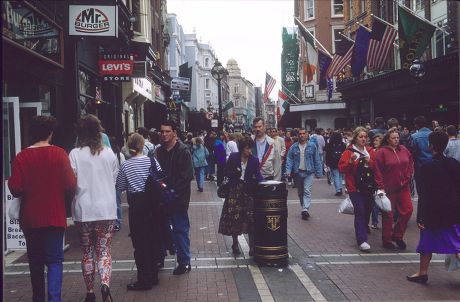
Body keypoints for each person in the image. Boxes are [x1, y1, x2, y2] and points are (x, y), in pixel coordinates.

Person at [8, 116, 77, 302]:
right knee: (55, 261)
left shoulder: (21, 157)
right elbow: (71, 184)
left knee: (36, 262)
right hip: (54, 215)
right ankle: (54, 299)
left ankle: (37, 298)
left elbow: (14, 188)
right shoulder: (60, 154)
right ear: (50, 133)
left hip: (30, 217)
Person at [69, 115, 118, 302]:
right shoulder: (108, 153)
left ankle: (90, 292)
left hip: (84, 209)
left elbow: (71, 182)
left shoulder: (74, 154)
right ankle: (105, 283)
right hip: (106, 208)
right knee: (104, 250)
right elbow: (114, 179)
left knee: (87, 251)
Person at [407, 131, 460, 284]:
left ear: (431, 146)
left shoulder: (426, 166)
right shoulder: (454, 163)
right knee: (453, 243)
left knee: (445, 244)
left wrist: (421, 216)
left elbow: (424, 194)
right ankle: (422, 272)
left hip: (433, 213)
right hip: (453, 210)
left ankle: (422, 272)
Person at [116, 133, 163, 290]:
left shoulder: (126, 165)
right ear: (143, 145)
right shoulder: (152, 161)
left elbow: (120, 186)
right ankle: (154, 275)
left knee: (140, 244)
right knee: (153, 240)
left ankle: (144, 279)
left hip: (137, 206)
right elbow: (161, 179)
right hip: (153, 206)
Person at [156, 120, 194, 275]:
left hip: (178, 199)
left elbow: (187, 176)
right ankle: (160, 257)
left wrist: (172, 191)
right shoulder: (159, 151)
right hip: (162, 198)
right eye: (162, 131)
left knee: (179, 229)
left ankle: (184, 262)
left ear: (174, 133)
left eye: (167, 131)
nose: (164, 134)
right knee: (161, 229)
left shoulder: (183, 151)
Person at [218, 137, 264, 255]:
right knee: (234, 218)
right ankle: (234, 244)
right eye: (247, 149)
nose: (250, 151)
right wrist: (235, 172)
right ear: (242, 149)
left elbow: (258, 176)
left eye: (250, 148)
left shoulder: (254, 160)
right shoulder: (233, 157)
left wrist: (264, 184)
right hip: (234, 191)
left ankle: (252, 247)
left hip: (247, 192)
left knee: (250, 218)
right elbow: (226, 171)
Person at [374, 128, 414, 250]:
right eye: (393, 138)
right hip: (388, 188)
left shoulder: (404, 150)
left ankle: (397, 235)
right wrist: (380, 187)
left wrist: (407, 177)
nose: (396, 140)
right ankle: (386, 239)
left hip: (403, 186)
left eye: (397, 138)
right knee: (388, 214)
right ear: (388, 139)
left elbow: (410, 164)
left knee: (408, 210)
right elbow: (378, 170)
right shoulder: (382, 152)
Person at [339, 127, 375, 252]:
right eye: (361, 136)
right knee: (359, 211)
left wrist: (370, 162)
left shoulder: (370, 151)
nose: (363, 139)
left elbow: (376, 167)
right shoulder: (349, 152)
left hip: (368, 187)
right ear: (355, 138)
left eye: (365, 137)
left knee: (367, 210)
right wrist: (350, 161)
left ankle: (363, 228)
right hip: (354, 187)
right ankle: (362, 240)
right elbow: (342, 168)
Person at [286, 129, 323, 220]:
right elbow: (289, 159)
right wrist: (288, 170)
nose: (302, 135)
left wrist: (319, 172)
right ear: (298, 135)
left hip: (309, 172)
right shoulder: (293, 147)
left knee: (307, 190)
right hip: (297, 173)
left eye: (304, 134)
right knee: (300, 192)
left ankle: (305, 208)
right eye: (300, 134)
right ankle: (304, 207)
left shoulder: (312, 146)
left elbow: (317, 159)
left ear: (307, 135)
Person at [409, 116, 432, 215]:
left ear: (416, 125)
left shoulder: (414, 136)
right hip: (434, 165)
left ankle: (422, 215)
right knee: (433, 190)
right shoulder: (433, 134)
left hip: (420, 167)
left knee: (422, 193)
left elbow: (412, 152)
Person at [109, 137, 126, 231]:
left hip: (113, 183)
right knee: (117, 203)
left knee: (116, 203)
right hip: (116, 183)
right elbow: (123, 169)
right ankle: (116, 222)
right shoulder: (120, 155)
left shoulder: (118, 155)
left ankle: (117, 221)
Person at [324, 131, 346, 196]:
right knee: (340, 176)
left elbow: (327, 154)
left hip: (333, 162)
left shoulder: (330, 144)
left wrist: (327, 163)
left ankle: (338, 190)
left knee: (335, 175)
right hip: (340, 161)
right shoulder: (342, 144)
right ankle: (340, 188)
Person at [370, 133, 383, 229]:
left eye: (377, 140)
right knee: (375, 201)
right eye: (374, 140)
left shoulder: (383, 152)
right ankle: (374, 222)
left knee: (382, 200)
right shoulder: (372, 152)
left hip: (383, 180)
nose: (374, 142)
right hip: (374, 179)